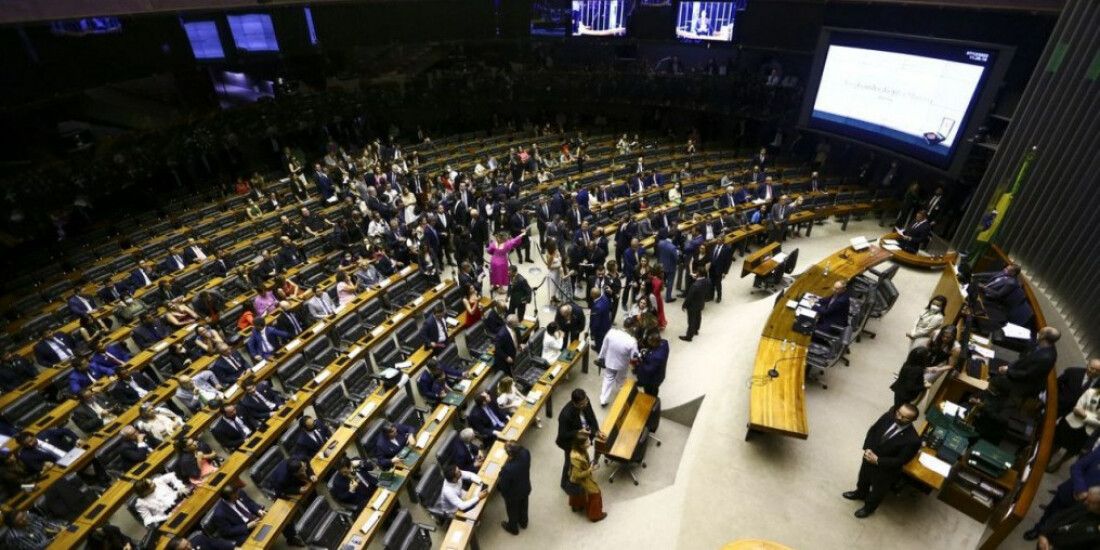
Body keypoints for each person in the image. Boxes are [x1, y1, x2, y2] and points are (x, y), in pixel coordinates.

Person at [842, 403, 922, 518]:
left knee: (877, 492)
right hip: (868, 459)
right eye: (898, 413)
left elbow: (901, 460)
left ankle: (868, 508)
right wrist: (867, 447)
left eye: (904, 417)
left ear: (913, 419)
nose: (898, 417)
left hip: (885, 471)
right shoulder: (888, 416)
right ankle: (860, 493)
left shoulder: (913, 440)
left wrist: (878, 460)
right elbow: (873, 431)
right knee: (863, 479)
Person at [1025, 445, 1100, 541]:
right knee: (1051, 512)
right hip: (1072, 491)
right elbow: (1077, 467)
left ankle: (1051, 538)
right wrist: (1081, 489)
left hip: (1091, 508)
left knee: (1069, 526)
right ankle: (1038, 529)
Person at [990, 327, 1060, 398]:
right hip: (1020, 369)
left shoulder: (1046, 358)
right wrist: (1010, 367)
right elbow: (1024, 358)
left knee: (994, 381)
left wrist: (1008, 371)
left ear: (1043, 337)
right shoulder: (1043, 344)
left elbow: (1027, 374)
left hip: (1023, 384)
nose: (1038, 333)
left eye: (1040, 332)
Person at [556, 389, 602, 500]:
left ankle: (584, 472)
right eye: (582, 404)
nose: (585, 405)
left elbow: (591, 416)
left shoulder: (586, 402)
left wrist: (596, 431)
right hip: (571, 442)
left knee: (583, 457)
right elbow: (563, 434)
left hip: (583, 438)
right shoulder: (565, 415)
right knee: (569, 462)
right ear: (574, 403)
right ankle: (564, 483)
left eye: (586, 402)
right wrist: (577, 433)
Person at [1046, 388, 1100, 473]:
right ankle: (1046, 459)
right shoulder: (1091, 392)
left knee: (1073, 450)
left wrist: (1085, 415)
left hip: (1088, 432)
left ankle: (1059, 464)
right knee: (1057, 443)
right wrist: (1095, 417)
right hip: (1072, 423)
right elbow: (1077, 409)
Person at [1034, 485, 1100, 550]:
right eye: (1087, 499)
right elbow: (1060, 515)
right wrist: (1044, 534)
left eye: (1090, 502)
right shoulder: (1086, 504)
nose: (1085, 503)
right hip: (1048, 540)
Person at [597, 317, 639, 407]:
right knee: (621, 380)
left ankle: (603, 400)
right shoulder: (632, 341)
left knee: (608, 379)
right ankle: (622, 396)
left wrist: (601, 357)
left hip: (610, 361)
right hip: (622, 365)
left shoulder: (611, 332)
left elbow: (604, 346)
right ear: (632, 327)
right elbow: (633, 357)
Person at [569, 434, 607, 522]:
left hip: (581, 476)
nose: (590, 442)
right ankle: (595, 516)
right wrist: (590, 470)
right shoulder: (577, 459)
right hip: (581, 479)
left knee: (582, 493)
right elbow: (576, 475)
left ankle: (576, 505)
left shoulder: (579, 450)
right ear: (581, 445)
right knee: (596, 493)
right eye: (587, 442)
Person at [497, 441, 532, 535]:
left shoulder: (508, 469)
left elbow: (504, 486)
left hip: (513, 495)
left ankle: (513, 528)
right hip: (525, 488)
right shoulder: (526, 453)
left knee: (512, 512)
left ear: (510, 454)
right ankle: (524, 523)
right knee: (524, 507)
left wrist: (501, 491)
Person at [635, 329, 669, 396]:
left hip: (653, 379)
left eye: (650, 342)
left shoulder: (656, 357)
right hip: (659, 373)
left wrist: (641, 360)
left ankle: (652, 400)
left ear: (654, 343)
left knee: (650, 391)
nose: (648, 343)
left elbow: (648, 370)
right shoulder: (664, 343)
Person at [679, 272, 711, 342]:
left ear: (698, 275)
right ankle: (696, 330)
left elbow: (689, 297)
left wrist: (684, 305)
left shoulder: (695, 286)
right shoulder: (707, 281)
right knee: (698, 316)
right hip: (701, 303)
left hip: (692, 305)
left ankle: (689, 336)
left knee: (691, 320)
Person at [589, 287, 612, 352]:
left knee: (599, 343)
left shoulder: (597, 307)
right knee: (601, 341)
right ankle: (597, 346)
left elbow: (596, 323)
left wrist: (592, 332)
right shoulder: (604, 298)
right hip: (606, 323)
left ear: (593, 295)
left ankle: (600, 358)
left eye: (591, 294)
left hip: (600, 330)